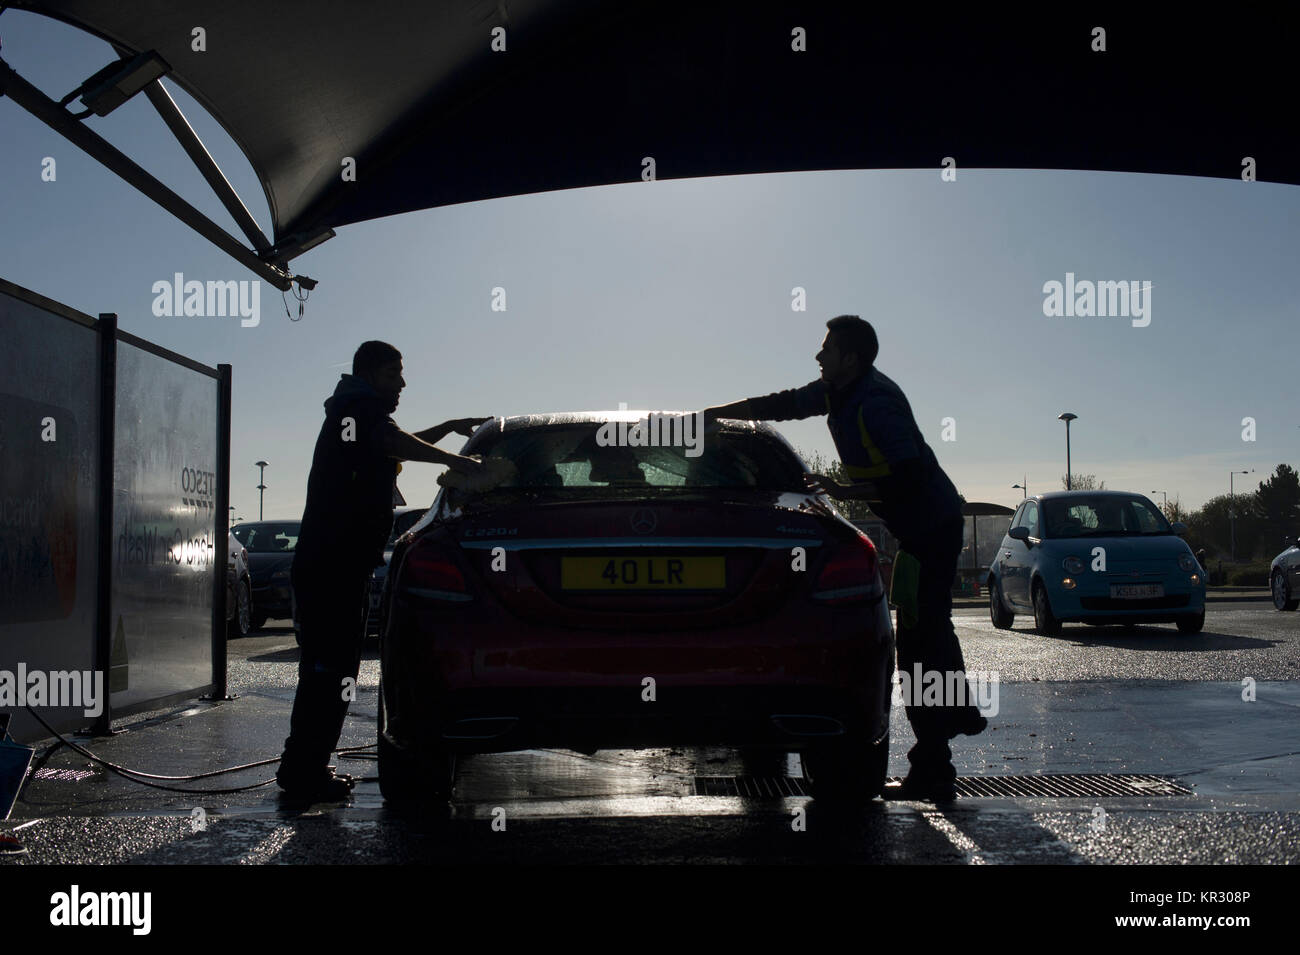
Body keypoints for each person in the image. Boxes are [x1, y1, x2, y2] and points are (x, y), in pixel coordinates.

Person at [700, 315, 986, 801]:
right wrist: (716, 414)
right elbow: (784, 404)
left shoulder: (877, 404)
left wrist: (842, 489)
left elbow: (909, 478)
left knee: (920, 641)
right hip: (916, 532)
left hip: (932, 530)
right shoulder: (836, 391)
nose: (818, 356)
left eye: (826, 349)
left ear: (850, 358)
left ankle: (941, 749)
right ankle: (949, 732)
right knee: (924, 636)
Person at [276, 340, 489, 803]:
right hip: (333, 569)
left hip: (333, 566)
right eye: (395, 374)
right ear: (372, 374)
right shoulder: (357, 408)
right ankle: (303, 773)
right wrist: (458, 461)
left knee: (329, 671)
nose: (403, 384)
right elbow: (393, 442)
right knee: (329, 672)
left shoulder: (357, 412)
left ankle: (304, 768)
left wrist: (447, 429)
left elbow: (395, 445)